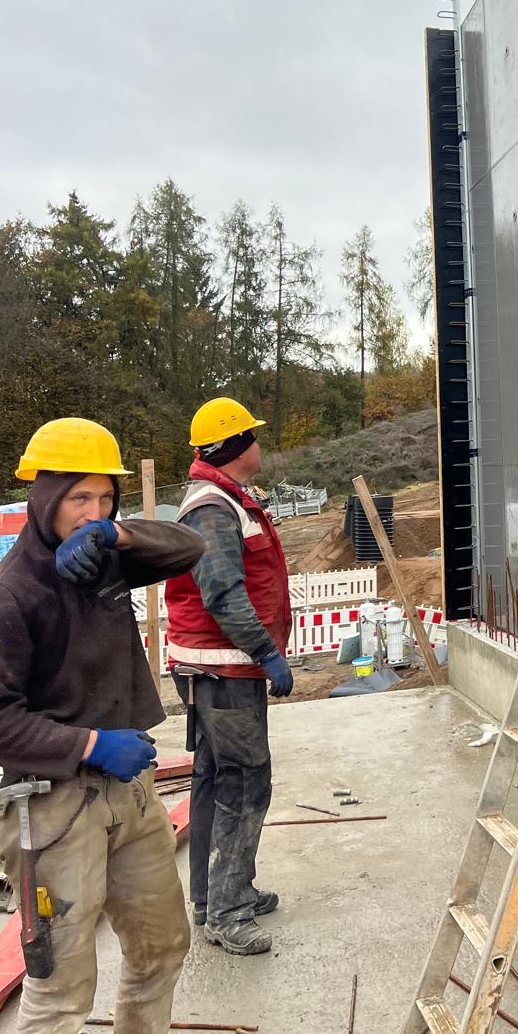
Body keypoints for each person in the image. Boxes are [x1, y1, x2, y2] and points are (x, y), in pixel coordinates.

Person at [0, 417, 243, 1034]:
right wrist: (91, 745)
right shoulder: (6, 595)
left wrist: (115, 536)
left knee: (161, 946)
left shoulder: (103, 559)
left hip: (128, 795)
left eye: (105, 498)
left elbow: (188, 545)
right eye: (79, 499)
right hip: (52, 808)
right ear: (44, 496)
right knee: (60, 992)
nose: (92, 511)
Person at [164, 398, 293, 958]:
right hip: (223, 668)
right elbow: (222, 593)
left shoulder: (225, 499)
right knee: (243, 783)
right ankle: (228, 911)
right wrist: (266, 652)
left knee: (215, 781)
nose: (259, 444)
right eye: (252, 436)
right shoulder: (214, 508)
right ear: (236, 446)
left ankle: (215, 895)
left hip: (219, 668)